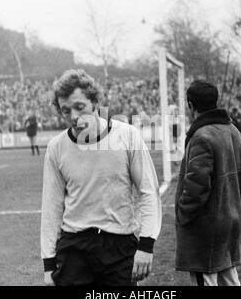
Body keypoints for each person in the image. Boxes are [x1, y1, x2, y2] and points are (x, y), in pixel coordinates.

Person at [40, 69, 161, 286]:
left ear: (95, 102)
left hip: (119, 245)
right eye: (66, 110)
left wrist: (146, 246)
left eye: (80, 107)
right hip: (74, 246)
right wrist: (49, 265)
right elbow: (51, 206)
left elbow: (148, 191)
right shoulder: (56, 148)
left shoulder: (126, 136)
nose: (74, 117)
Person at [175, 81, 241, 286]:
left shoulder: (202, 136)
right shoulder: (234, 131)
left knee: (206, 279)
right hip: (232, 219)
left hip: (206, 228)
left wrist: (184, 212)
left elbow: (196, 185)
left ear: (191, 105)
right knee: (229, 280)